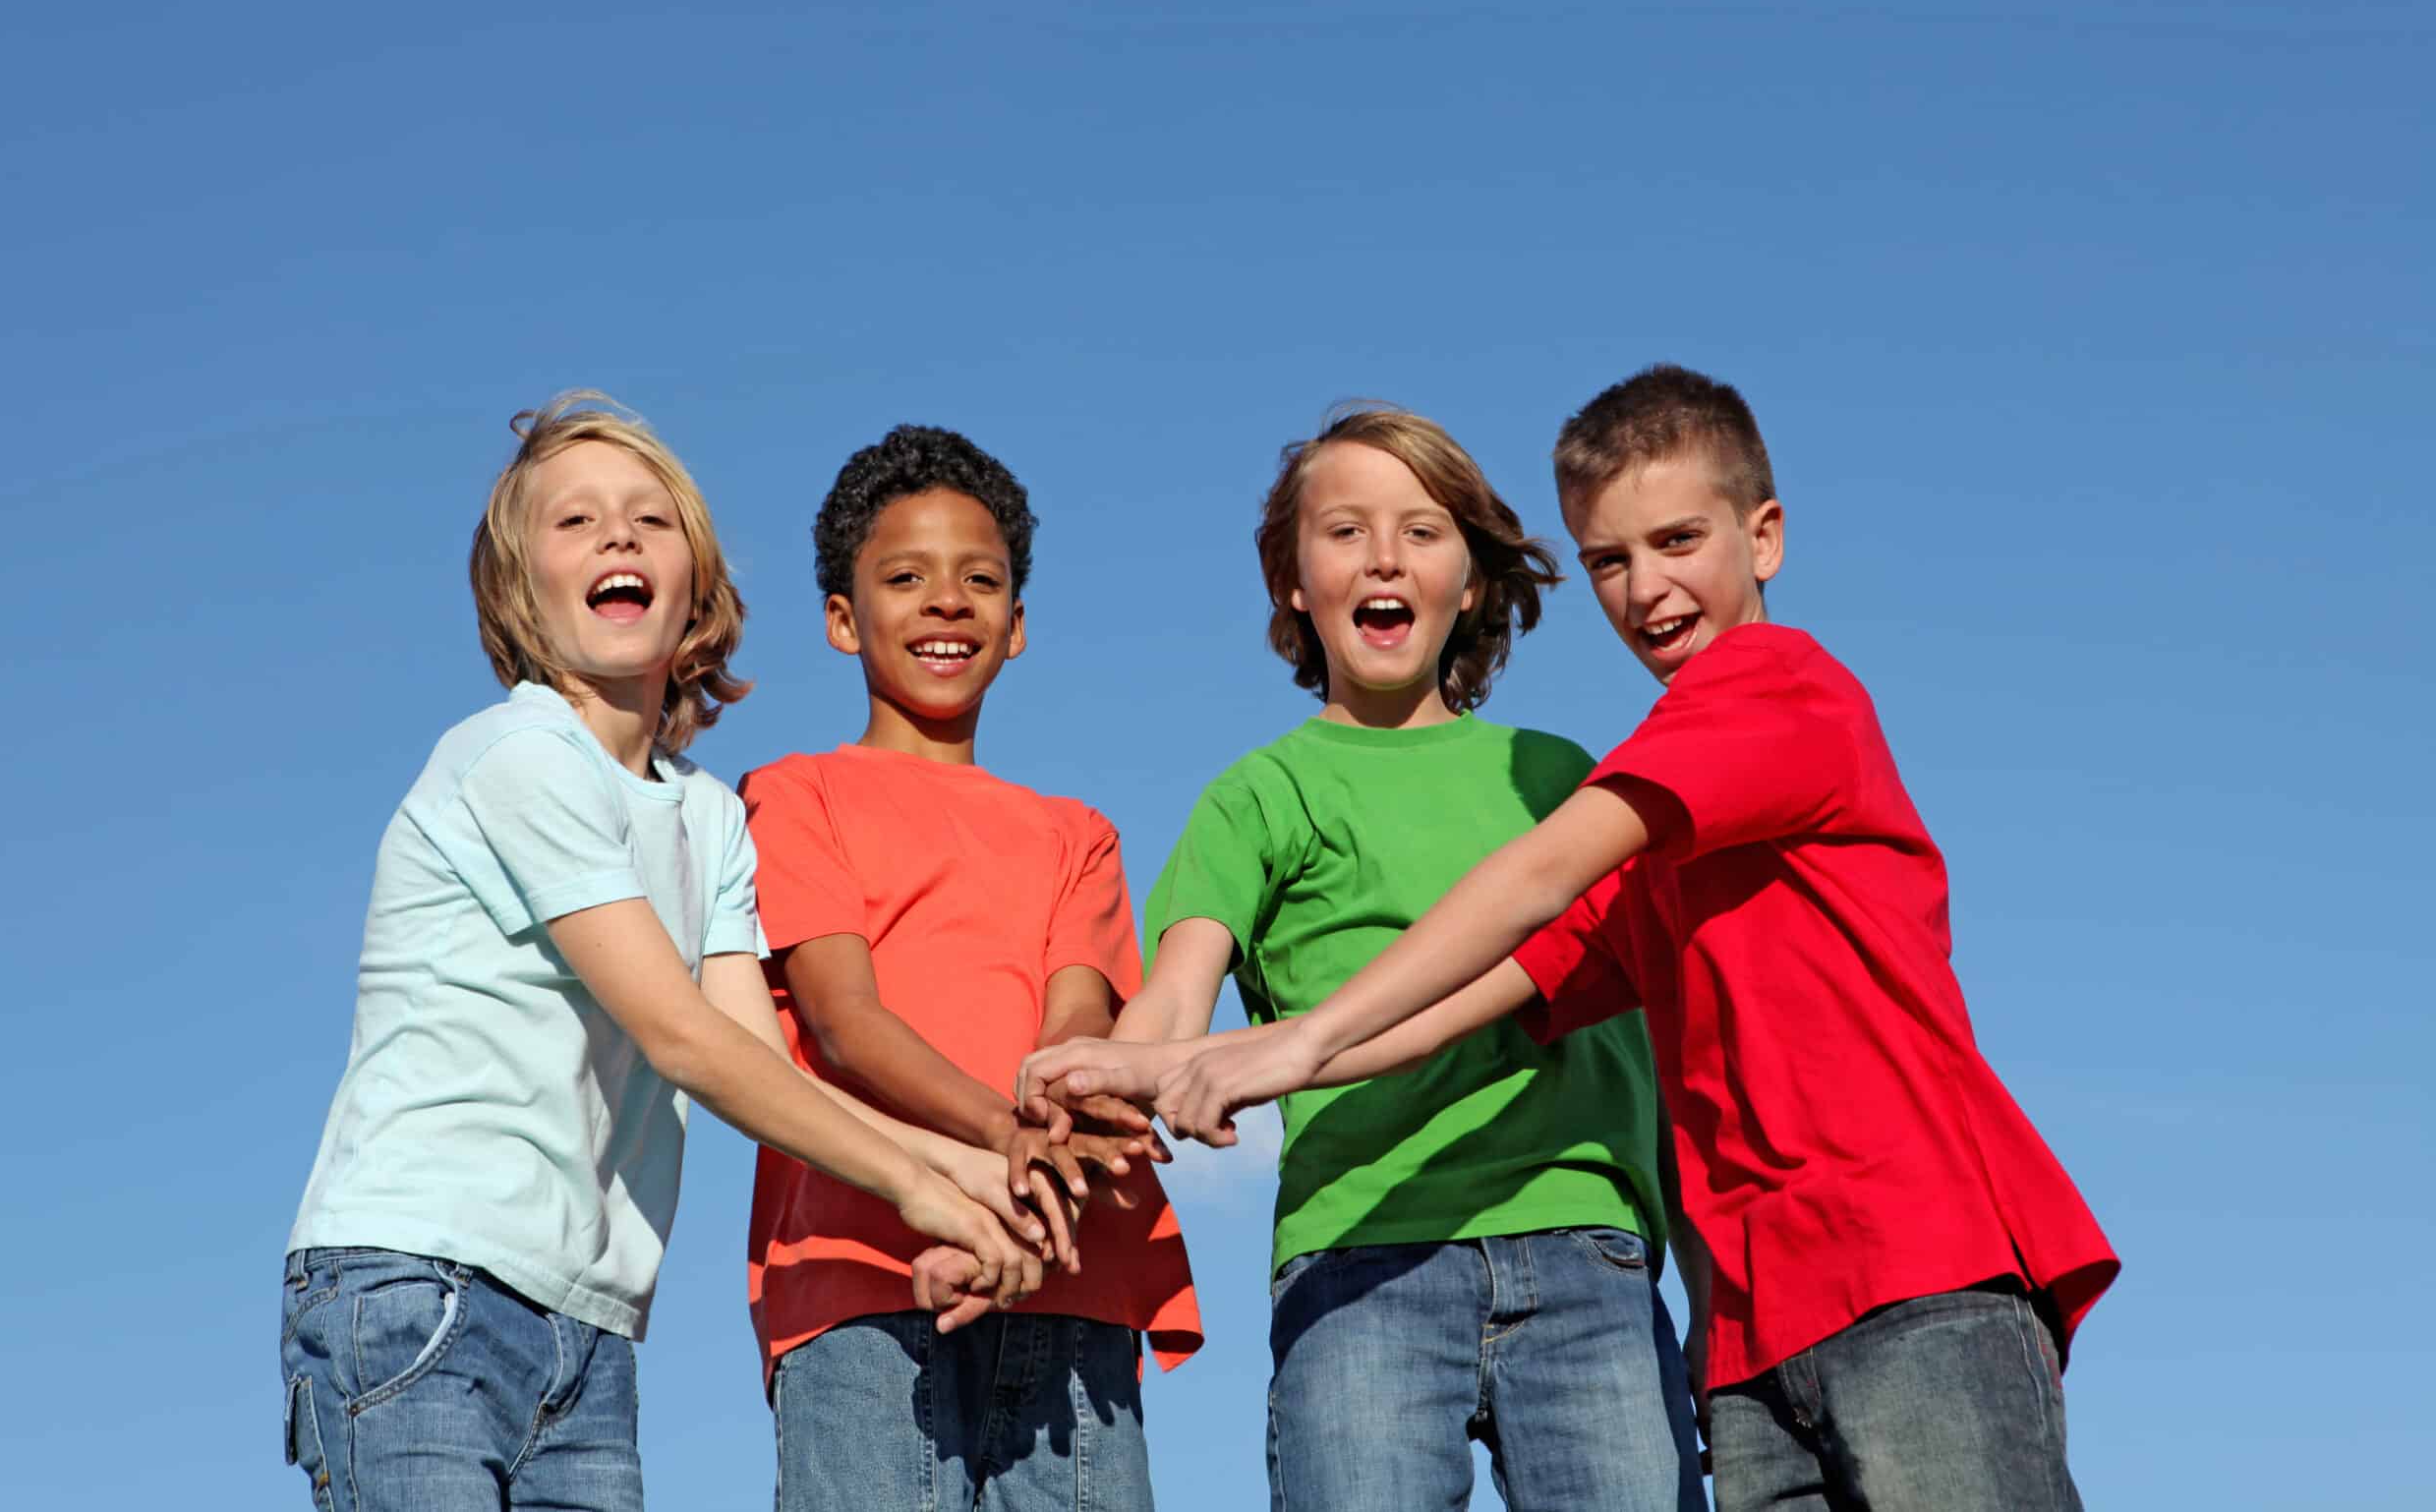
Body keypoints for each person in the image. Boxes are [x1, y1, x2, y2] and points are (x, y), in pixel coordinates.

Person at [1025, 367, 2120, 1512]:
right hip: (1750, 1332)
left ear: (1765, 537)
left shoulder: (1761, 692)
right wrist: (1178, 1063)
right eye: (1609, 559)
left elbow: (1540, 881)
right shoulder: (1629, 821)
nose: (1646, 588)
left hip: (1906, 1268)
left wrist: (1291, 1050)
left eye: (1678, 541)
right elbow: (1488, 990)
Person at [280, 395, 1035, 1512]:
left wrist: (977, 1175)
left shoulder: (707, 818)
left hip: (590, 1328)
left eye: (649, 520)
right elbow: (681, 1038)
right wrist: (930, 1188)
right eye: (575, 523)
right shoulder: (514, 757)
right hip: (416, 1287)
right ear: (516, 586)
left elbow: (756, 1060)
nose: (618, 537)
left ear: (698, 587)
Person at [1020, 406, 1703, 1512]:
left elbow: (1660, 1039)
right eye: (1344, 532)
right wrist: (1097, 1072)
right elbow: (1175, 1000)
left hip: (1589, 1252)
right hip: (1359, 1262)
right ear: (1293, 583)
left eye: (1422, 532)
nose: (1384, 557)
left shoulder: (1564, 776)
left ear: (1472, 581)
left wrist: (1716, 1304)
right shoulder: (1256, 796)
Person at [744, 424, 1200, 1512]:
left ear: (1018, 626)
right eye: (905, 578)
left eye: (978, 580)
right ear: (842, 621)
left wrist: (1038, 1174)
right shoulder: (792, 794)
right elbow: (843, 1023)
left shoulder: (1076, 832)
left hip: (1070, 1276)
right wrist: (1002, 1141)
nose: (946, 602)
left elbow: (1073, 1036)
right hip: (861, 1279)